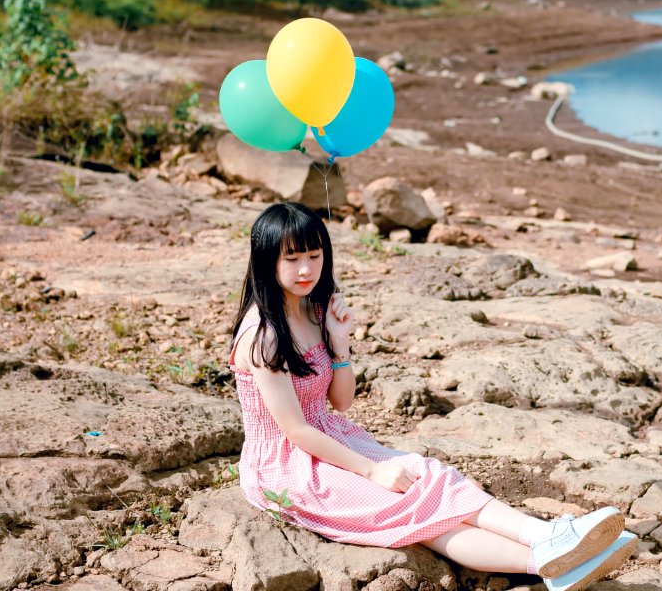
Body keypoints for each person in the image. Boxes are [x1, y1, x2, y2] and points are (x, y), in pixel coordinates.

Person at [228, 202, 638, 591]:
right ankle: (550, 559)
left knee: (432, 478)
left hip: (332, 437)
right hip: (286, 465)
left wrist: (339, 343)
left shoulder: (313, 311)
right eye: (292, 258)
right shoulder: (263, 337)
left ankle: (549, 538)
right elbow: (296, 430)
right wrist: (372, 471)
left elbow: (342, 402)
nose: (306, 269)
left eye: (314, 256)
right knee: (419, 512)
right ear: (267, 261)